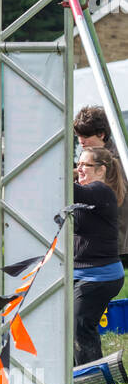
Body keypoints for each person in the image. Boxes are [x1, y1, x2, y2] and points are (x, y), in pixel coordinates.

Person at [73, 147, 126, 364]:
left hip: (100, 277)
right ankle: (77, 374)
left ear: (101, 170)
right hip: (82, 273)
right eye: (79, 164)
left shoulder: (100, 191)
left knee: (80, 324)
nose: (79, 169)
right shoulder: (87, 194)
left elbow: (73, 189)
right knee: (74, 325)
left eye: (85, 165)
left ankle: (92, 378)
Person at [73, 106, 128, 267]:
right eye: (78, 136)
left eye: (85, 135)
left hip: (113, 234)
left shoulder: (117, 159)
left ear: (101, 134)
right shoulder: (95, 155)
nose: (81, 141)